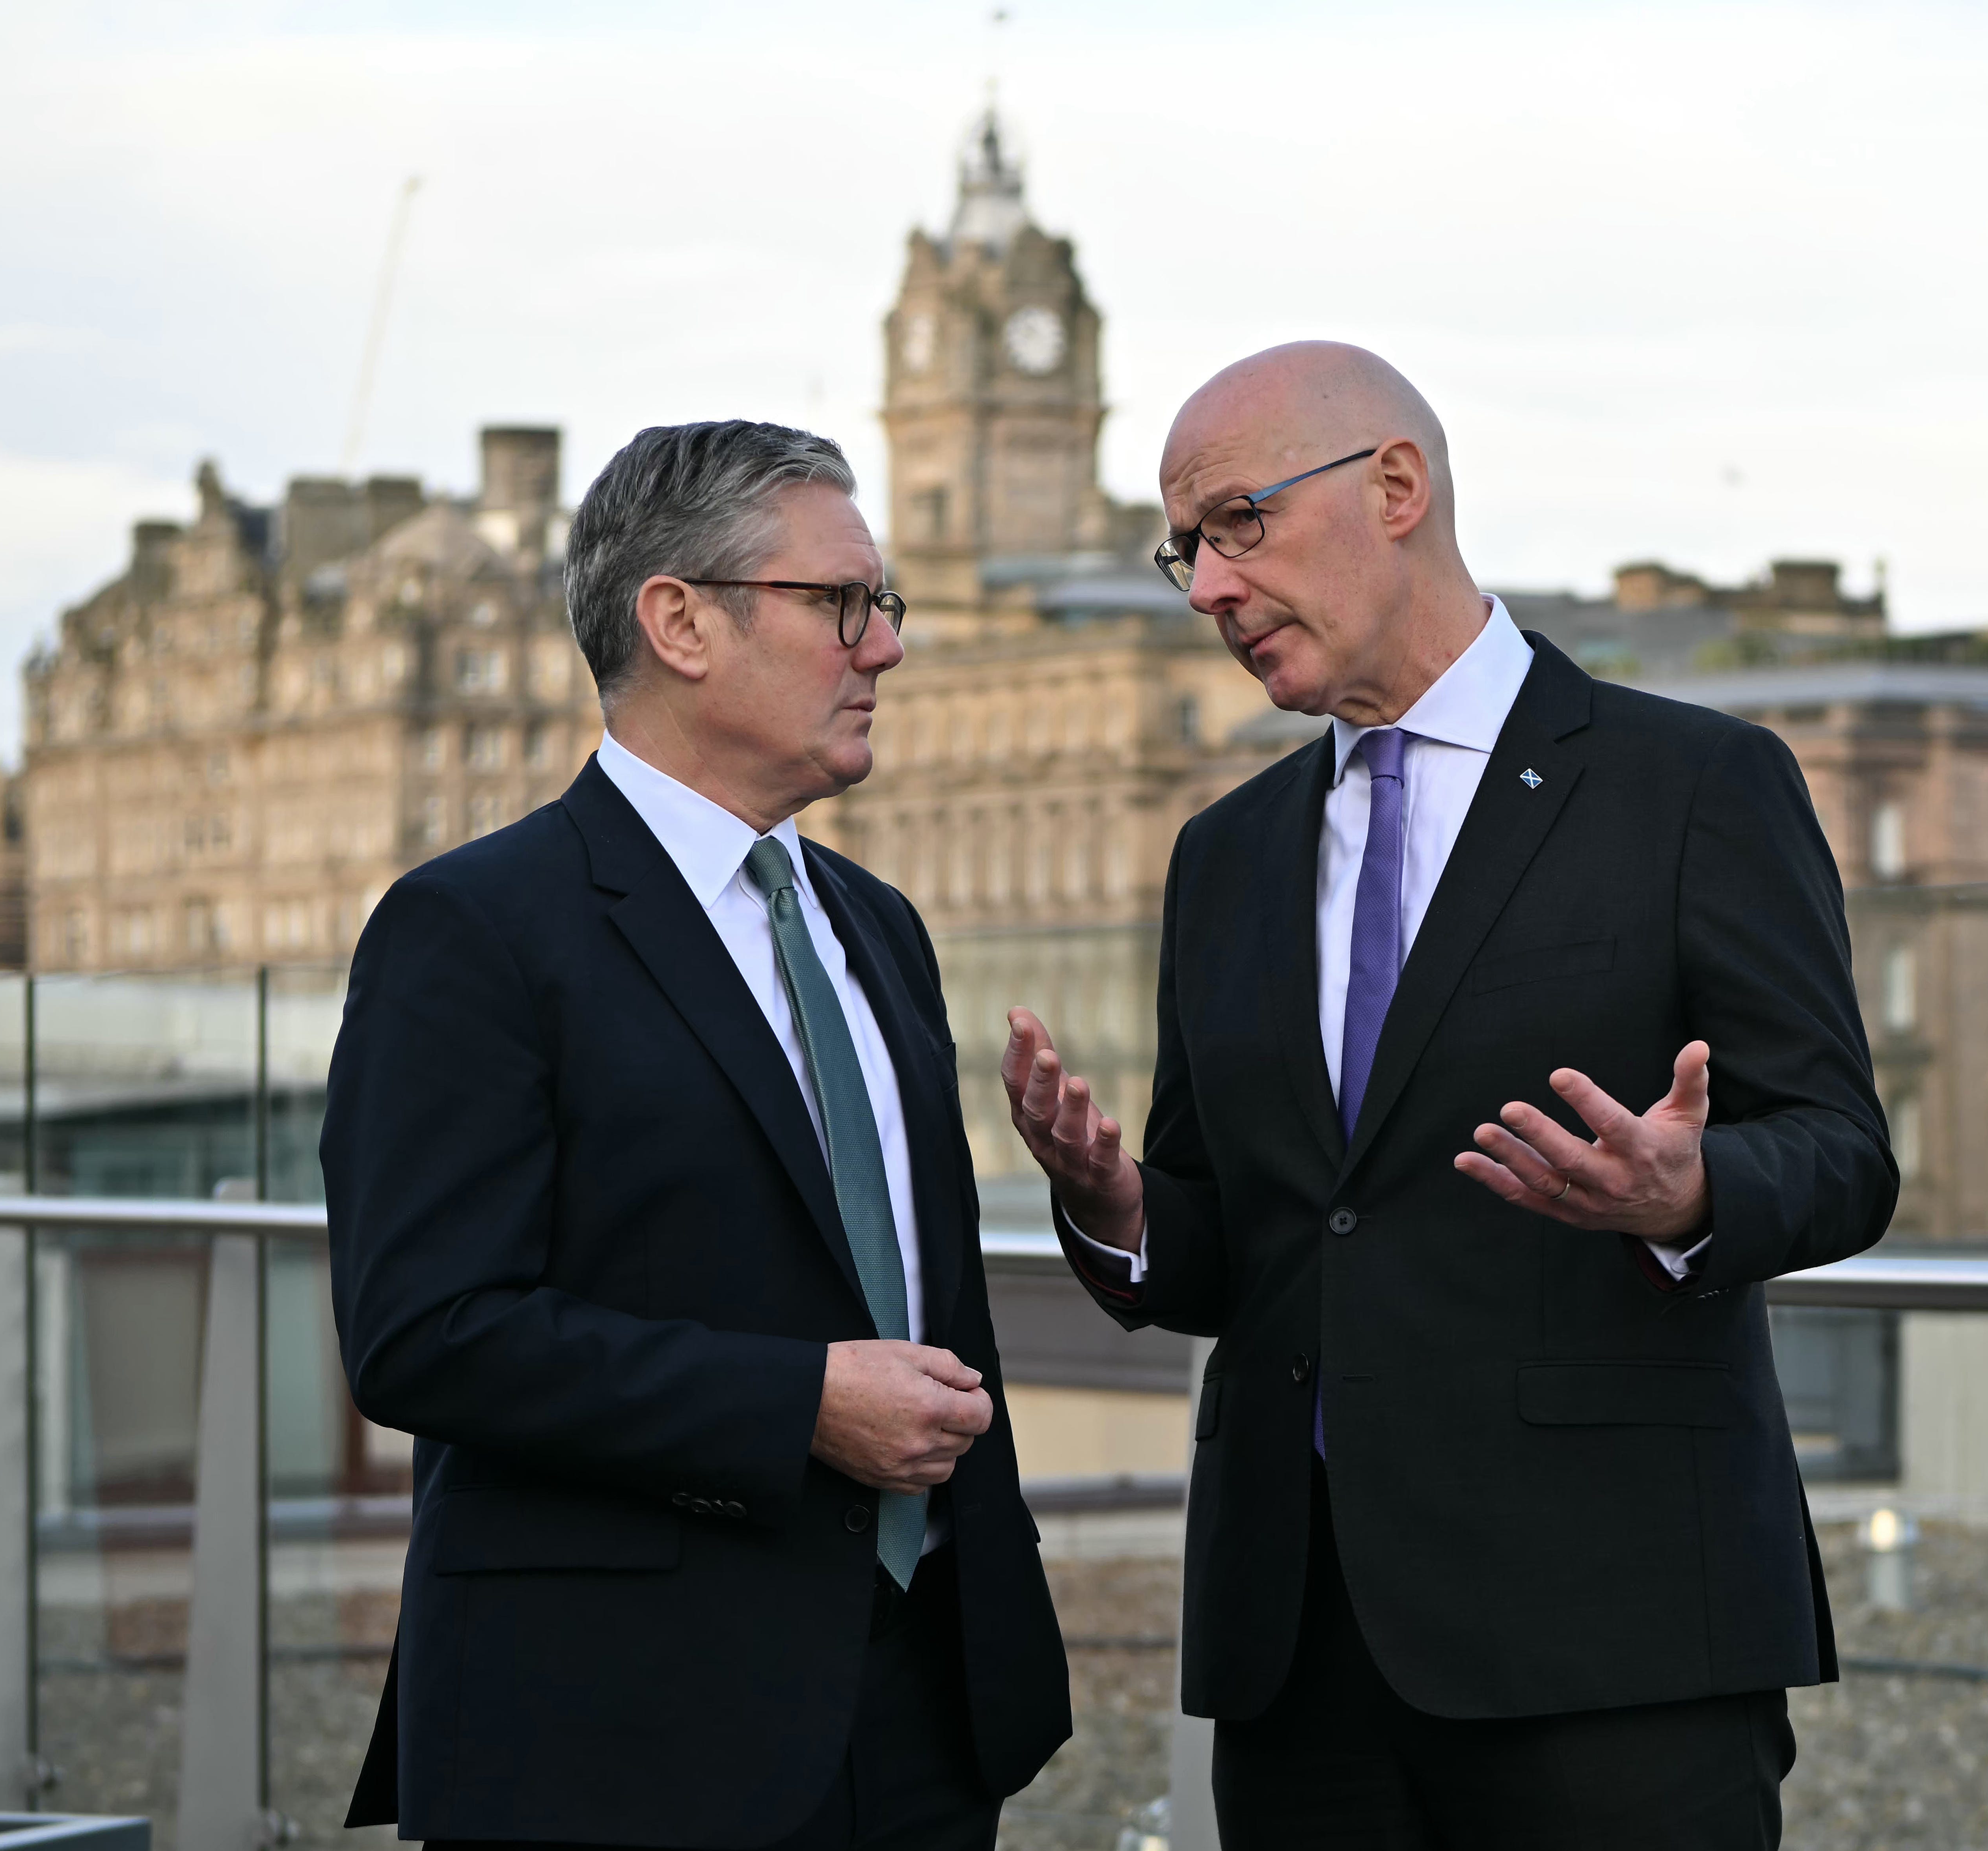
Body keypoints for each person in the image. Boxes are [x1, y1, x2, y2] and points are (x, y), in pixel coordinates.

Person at [1004, 344, 1897, 1849]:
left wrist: (1686, 1194)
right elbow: (1246, 1241)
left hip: (1612, 1640)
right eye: (1185, 552)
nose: (1209, 588)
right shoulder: (1224, 855)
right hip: (1298, 1656)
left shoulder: (1693, 785)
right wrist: (1114, 1208)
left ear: (1395, 488)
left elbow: (1843, 1156)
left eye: (1237, 525)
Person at [326, 420, 1069, 1850]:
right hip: (623, 1735)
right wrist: (798, 1404)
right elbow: (425, 1331)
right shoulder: (474, 931)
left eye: (885, 607)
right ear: (677, 622)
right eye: (841, 605)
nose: (884, 649)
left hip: (923, 1722)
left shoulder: (879, 929)